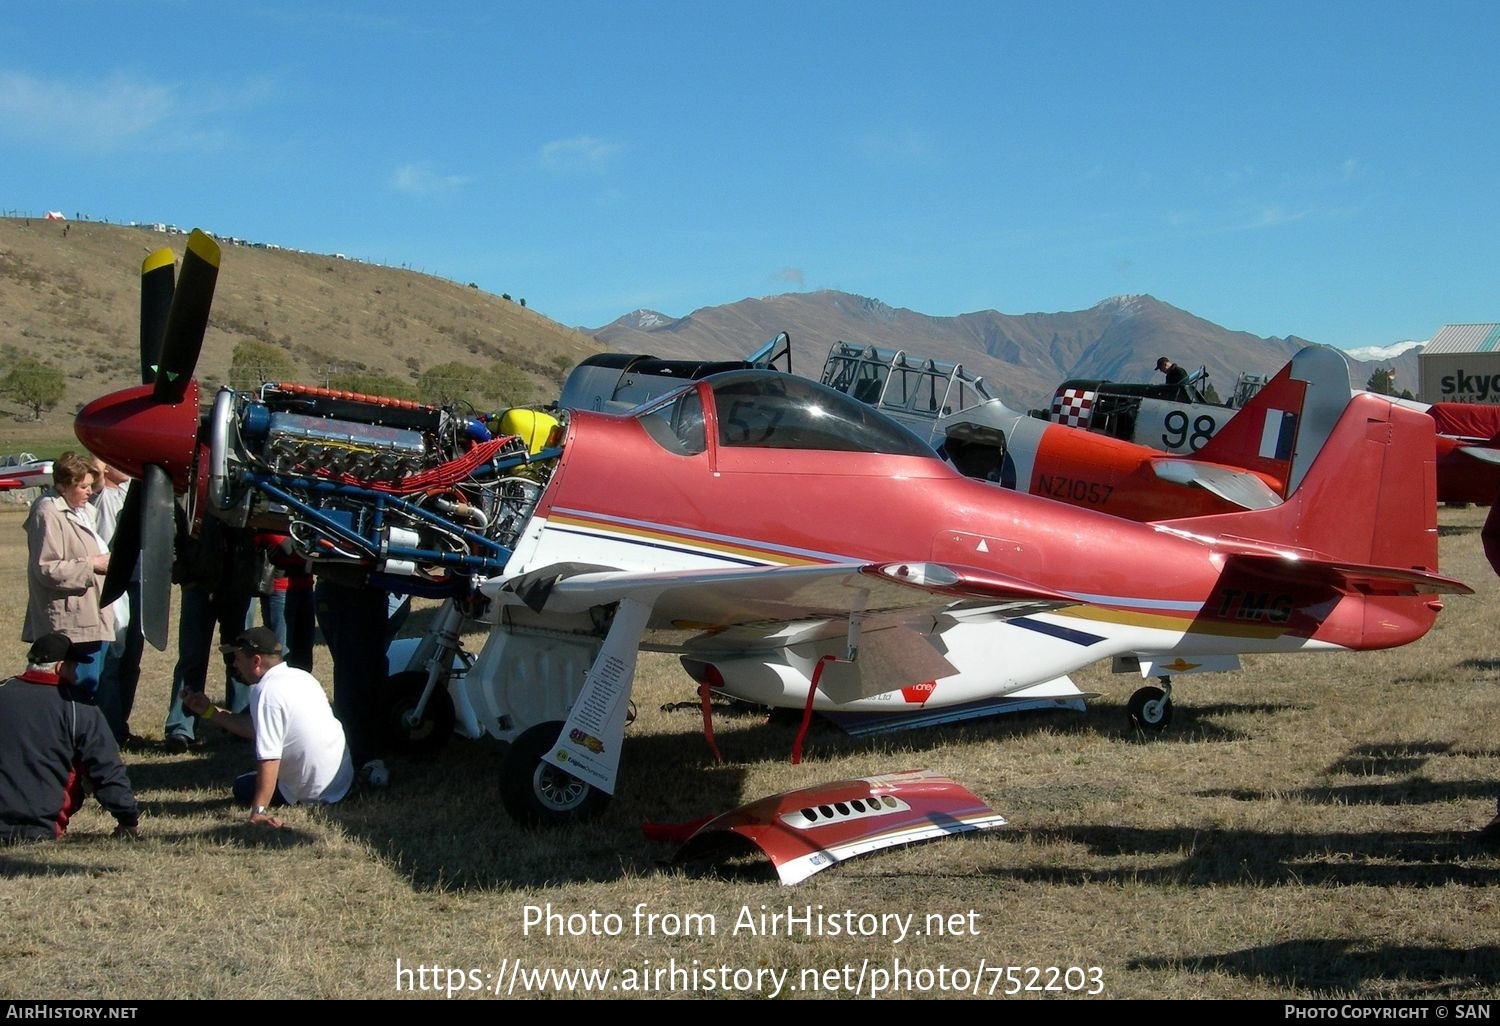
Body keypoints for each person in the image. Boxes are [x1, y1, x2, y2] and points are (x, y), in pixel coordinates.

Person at [182, 626, 353, 828]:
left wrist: (258, 811)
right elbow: (255, 729)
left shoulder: (266, 692)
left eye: (237, 658)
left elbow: (270, 758)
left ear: (256, 661)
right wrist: (210, 711)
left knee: (241, 785)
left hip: (312, 793)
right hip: (342, 782)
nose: (234, 664)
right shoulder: (301, 676)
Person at [0, 633, 140, 843]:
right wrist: (127, 819)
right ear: (60, 668)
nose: (76, 676)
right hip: (42, 827)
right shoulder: (79, 706)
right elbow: (105, 767)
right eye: (74, 668)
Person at [162, 513, 260, 752]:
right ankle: (181, 727)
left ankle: (240, 722)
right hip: (198, 581)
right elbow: (173, 529)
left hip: (237, 581)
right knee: (192, 656)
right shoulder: (193, 487)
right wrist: (183, 570)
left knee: (240, 657)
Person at [22, 452, 114, 699]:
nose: (88, 492)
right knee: (75, 687)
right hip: (67, 617)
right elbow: (46, 568)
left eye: (90, 486)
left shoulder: (83, 510)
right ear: (63, 485)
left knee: (93, 682)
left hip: (90, 610)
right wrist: (91, 564)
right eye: (82, 486)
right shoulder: (47, 512)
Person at [91, 461, 144, 746]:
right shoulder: (101, 495)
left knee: (132, 658)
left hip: (137, 581)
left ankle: (121, 722)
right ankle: (110, 728)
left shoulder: (127, 491)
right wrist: (99, 463)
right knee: (113, 656)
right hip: (114, 582)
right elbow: (97, 478)